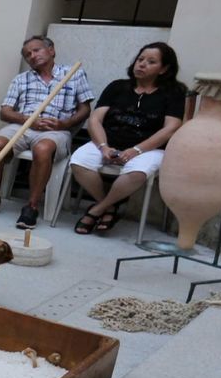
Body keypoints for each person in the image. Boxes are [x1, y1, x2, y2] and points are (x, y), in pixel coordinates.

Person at [0, 34, 94, 229]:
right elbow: (5, 112)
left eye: (36, 50)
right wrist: (27, 120)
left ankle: (32, 206)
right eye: (27, 54)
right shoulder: (21, 80)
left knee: (42, 149)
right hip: (23, 125)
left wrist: (64, 124)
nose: (32, 55)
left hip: (55, 129)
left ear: (51, 50)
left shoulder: (74, 74)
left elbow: (85, 109)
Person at [68, 42, 183, 235]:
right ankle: (110, 207)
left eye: (151, 62)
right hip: (108, 142)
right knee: (79, 161)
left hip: (149, 148)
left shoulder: (173, 93)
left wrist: (136, 150)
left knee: (138, 172)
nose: (142, 64)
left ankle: (97, 209)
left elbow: (171, 128)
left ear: (164, 69)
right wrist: (104, 147)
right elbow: (95, 119)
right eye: (140, 59)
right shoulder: (117, 87)